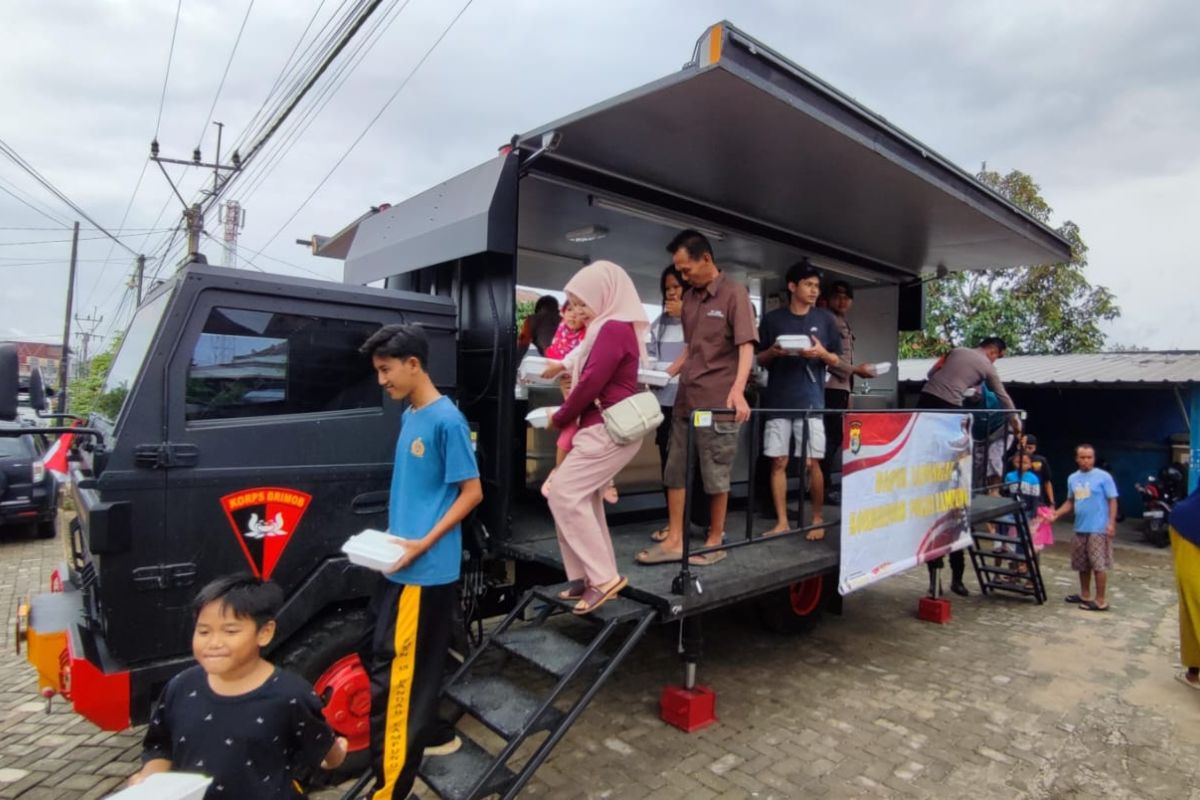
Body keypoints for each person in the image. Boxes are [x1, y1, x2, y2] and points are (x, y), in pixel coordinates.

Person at [358, 323, 483, 800]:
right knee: (377, 655)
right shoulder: (411, 412)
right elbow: (418, 493)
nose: (382, 381)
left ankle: (389, 789)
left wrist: (421, 542)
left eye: (386, 370)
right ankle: (428, 734)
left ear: (414, 365)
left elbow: (471, 493)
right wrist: (392, 538)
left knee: (397, 686)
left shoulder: (446, 421)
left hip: (423, 570)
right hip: (398, 562)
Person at [130, 575, 348, 796]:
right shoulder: (181, 686)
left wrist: (336, 753)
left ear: (265, 632)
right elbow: (159, 746)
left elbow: (326, 751)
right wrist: (150, 778)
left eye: (230, 631)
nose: (213, 643)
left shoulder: (291, 695)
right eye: (203, 631)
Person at [637, 230, 757, 566]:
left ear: (706, 258)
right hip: (685, 402)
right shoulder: (690, 300)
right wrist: (665, 375)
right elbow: (691, 349)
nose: (683, 276)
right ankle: (675, 539)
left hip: (718, 403)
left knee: (715, 474)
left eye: (686, 269)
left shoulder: (735, 294)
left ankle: (715, 541)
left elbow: (746, 345)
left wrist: (738, 390)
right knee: (674, 471)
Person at [543, 260, 648, 614]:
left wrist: (560, 416)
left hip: (605, 428)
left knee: (564, 493)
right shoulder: (606, 328)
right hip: (599, 428)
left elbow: (591, 383)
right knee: (581, 498)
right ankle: (585, 576)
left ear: (605, 297)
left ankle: (602, 578)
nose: (578, 310)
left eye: (583, 303)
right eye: (573, 303)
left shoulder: (613, 329)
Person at [918, 336, 1020, 596]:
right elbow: (1003, 395)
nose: (995, 359)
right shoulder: (987, 366)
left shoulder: (956, 351)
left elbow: (932, 372)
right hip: (948, 405)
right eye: (998, 355)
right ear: (994, 351)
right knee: (951, 445)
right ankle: (952, 582)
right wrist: (1016, 421)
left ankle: (923, 477)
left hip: (926, 398)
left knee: (926, 445)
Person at [756, 260, 842, 539]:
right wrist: (774, 352)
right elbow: (759, 358)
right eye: (808, 284)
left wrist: (821, 355)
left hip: (811, 402)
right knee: (778, 461)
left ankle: (816, 518)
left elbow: (837, 359)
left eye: (816, 286)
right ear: (792, 286)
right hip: (778, 400)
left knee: (812, 462)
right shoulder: (772, 320)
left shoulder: (826, 320)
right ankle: (782, 521)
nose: (814, 290)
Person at [821, 280, 877, 497]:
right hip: (830, 388)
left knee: (835, 437)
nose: (843, 301)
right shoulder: (827, 320)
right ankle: (821, 487)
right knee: (831, 437)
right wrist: (855, 370)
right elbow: (828, 358)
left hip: (841, 388)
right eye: (838, 296)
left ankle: (823, 485)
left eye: (847, 297)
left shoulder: (841, 321)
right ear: (828, 299)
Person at [1050, 444, 1118, 611]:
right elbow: (1070, 502)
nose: (1086, 461)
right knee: (1082, 564)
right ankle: (1085, 595)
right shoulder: (1073, 478)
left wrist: (1111, 523)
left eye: (1089, 457)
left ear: (1093, 459)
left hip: (1098, 528)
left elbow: (1112, 500)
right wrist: (1056, 514)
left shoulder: (1104, 477)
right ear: (1077, 459)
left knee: (1098, 564)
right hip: (1080, 527)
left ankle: (1100, 600)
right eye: (1082, 457)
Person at [1168, 489, 1200, 690]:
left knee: (1193, 606)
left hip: (1187, 527)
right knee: (1193, 604)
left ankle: (1193, 672)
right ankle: (1193, 672)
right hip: (1189, 530)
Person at [1023, 433, 1056, 507]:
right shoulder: (1014, 460)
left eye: (1030, 448)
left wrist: (1052, 502)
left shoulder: (1040, 460)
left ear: (1035, 448)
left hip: (1037, 500)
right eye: (1025, 447)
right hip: (1019, 499)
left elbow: (1047, 482)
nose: (1027, 450)